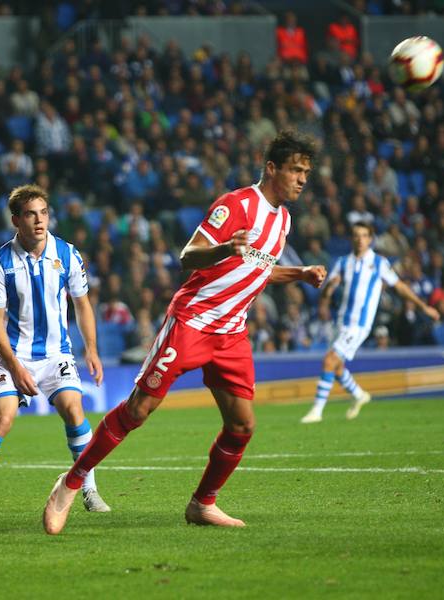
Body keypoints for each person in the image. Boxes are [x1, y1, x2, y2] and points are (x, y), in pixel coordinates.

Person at [43, 131, 327, 534]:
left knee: (242, 425)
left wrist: (297, 274)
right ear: (272, 168)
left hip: (231, 334)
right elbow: (188, 256)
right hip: (193, 322)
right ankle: (70, 483)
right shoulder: (237, 205)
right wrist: (225, 248)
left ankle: (202, 504)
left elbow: (256, 269)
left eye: (306, 173)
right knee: (139, 410)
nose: (302, 179)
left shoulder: (283, 220)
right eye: (296, 170)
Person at [0, 184, 109, 520]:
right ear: (16, 221)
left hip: (57, 355)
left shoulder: (68, 254)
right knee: (3, 419)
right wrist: (14, 366)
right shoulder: (0, 263)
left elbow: (82, 304)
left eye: (43, 213)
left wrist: (91, 350)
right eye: (30, 215)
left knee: (74, 409)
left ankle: (90, 490)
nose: (39, 221)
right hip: (15, 355)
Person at [300, 222, 440, 424]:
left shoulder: (379, 262)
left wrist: (422, 306)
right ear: (352, 238)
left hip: (359, 324)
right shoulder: (342, 262)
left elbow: (399, 286)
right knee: (337, 367)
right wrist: (328, 291)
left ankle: (317, 411)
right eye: (356, 235)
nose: (360, 239)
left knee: (329, 361)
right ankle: (359, 395)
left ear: (370, 239)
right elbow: (328, 289)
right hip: (341, 322)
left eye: (364, 235)